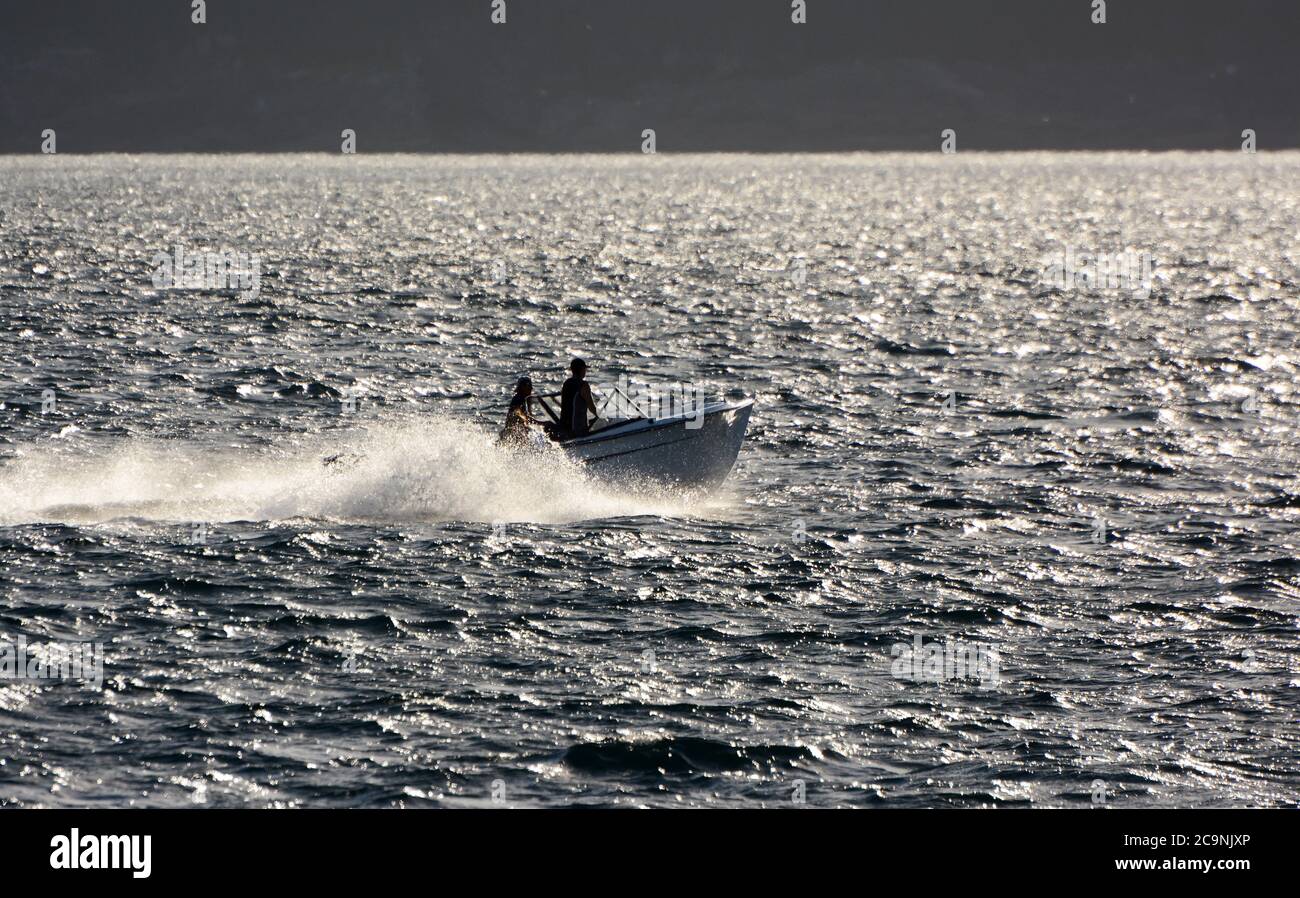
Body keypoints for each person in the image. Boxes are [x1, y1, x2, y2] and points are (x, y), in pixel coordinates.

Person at [559, 357, 599, 438]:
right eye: (585, 369)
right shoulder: (583, 385)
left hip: (564, 427)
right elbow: (591, 407)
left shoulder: (567, 383)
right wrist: (601, 415)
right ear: (581, 370)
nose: (585, 371)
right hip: (577, 430)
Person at [497, 376, 540, 447]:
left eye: (530, 386)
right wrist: (531, 420)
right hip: (512, 430)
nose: (530, 389)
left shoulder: (527, 399)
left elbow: (529, 415)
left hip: (521, 429)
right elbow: (517, 412)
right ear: (521, 387)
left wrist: (534, 423)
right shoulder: (517, 398)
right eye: (527, 386)